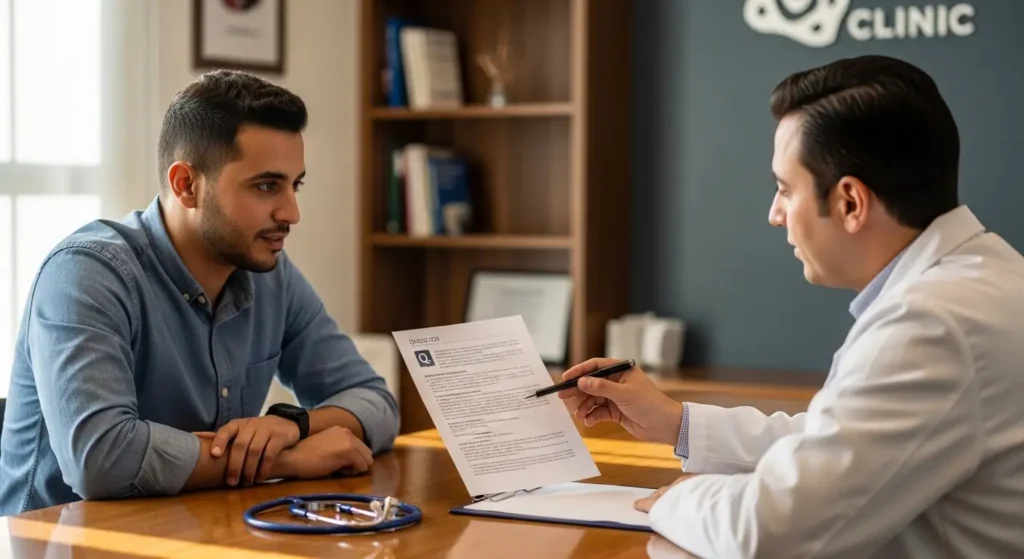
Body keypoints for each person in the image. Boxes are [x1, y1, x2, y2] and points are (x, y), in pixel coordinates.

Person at [560, 55, 1024, 558]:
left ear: (850, 203)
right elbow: (840, 445)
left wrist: (680, 498)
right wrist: (677, 422)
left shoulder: (932, 325)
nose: (774, 214)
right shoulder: (984, 278)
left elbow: (771, 533)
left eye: (784, 189)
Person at [0, 70, 400, 515]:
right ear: (186, 185)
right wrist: (284, 462)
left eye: (295, 184)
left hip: (193, 530)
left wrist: (295, 425)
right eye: (267, 186)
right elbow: (100, 459)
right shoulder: (86, 273)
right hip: (58, 542)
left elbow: (376, 402)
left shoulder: (271, 274)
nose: (291, 212)